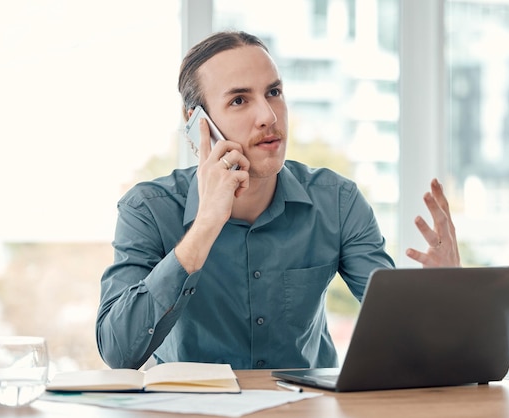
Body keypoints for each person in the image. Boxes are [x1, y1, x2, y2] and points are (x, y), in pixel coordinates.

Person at [96, 30, 461, 370]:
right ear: (197, 124)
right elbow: (119, 351)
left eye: (273, 92)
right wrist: (204, 227)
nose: (269, 116)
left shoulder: (336, 201)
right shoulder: (148, 209)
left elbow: (405, 333)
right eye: (239, 100)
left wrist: (447, 296)